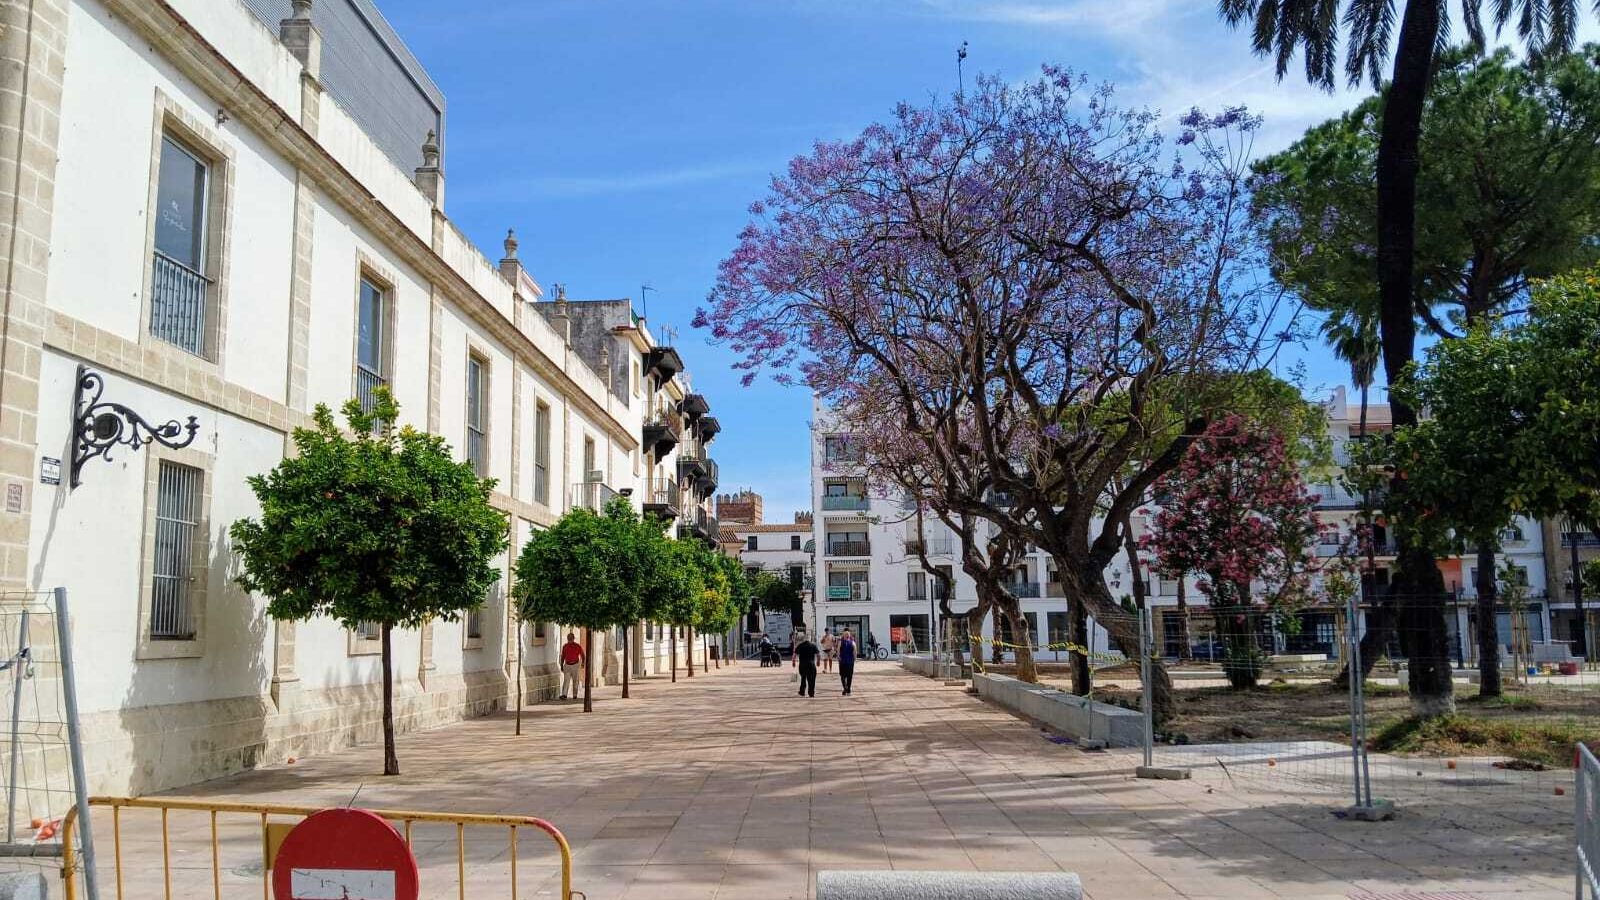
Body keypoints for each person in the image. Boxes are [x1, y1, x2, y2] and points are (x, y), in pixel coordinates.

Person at [794, 631, 820, 698]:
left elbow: (795, 654)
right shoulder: (813, 645)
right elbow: (818, 654)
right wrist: (818, 662)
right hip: (811, 664)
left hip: (802, 664)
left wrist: (793, 661)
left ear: (804, 639)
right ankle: (811, 693)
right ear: (810, 639)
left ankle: (802, 692)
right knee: (812, 679)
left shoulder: (800, 645)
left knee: (803, 678)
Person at [559, 632, 584, 700]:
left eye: (571, 638)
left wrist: (583, 663)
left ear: (573, 639)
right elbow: (563, 656)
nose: (569, 640)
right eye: (568, 638)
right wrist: (561, 665)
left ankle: (575, 695)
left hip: (575, 665)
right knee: (566, 680)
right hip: (567, 665)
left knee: (575, 680)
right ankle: (564, 694)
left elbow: (582, 655)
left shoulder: (577, 646)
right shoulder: (565, 646)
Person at [837, 629, 857, 695]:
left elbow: (838, 650)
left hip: (843, 661)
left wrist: (838, 657)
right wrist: (854, 658)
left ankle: (846, 688)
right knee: (849, 676)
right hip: (849, 661)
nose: (846, 635)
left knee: (843, 676)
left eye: (846, 634)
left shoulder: (841, 642)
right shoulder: (852, 642)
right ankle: (848, 690)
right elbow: (855, 652)